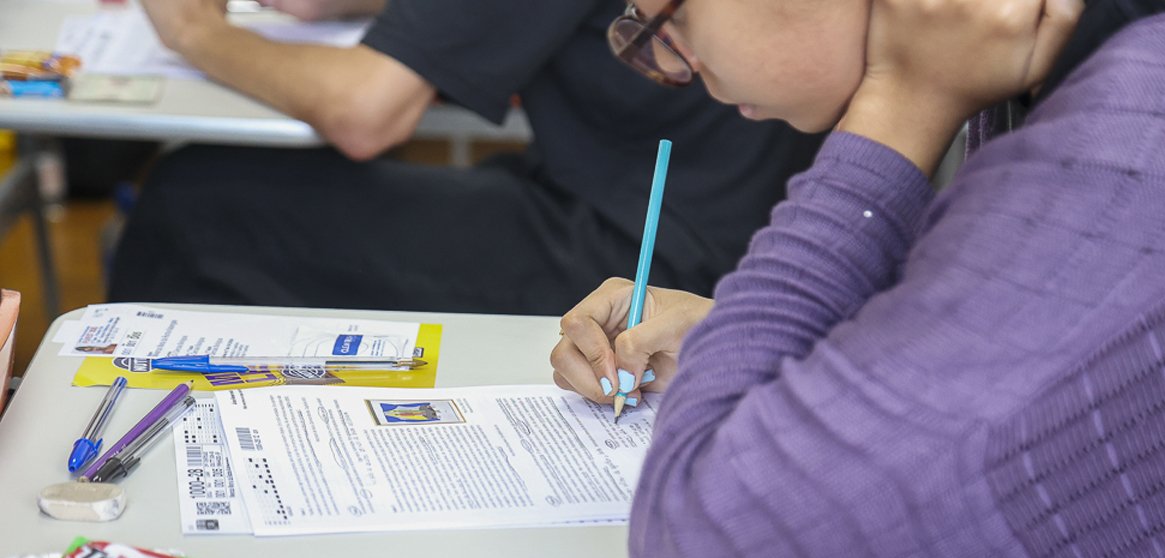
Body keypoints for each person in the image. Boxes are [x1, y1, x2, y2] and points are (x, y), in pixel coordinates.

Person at [551, 0, 1165, 558]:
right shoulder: (1112, 81)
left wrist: (902, 105)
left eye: (673, 18)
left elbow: (697, 531)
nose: (675, 64)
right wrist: (734, 335)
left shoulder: (1139, 141)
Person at [105, 0, 821, 315]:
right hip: (699, 211)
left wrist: (194, 32)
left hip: (647, 257)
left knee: (194, 203)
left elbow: (365, 112)